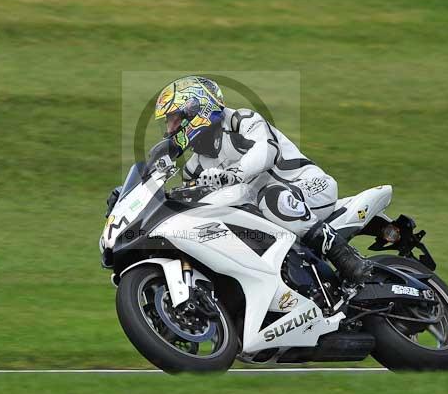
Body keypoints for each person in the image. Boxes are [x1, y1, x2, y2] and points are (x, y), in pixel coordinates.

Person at [153, 75, 373, 284]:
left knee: (272, 197)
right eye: (168, 123)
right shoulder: (195, 168)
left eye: (174, 119)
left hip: (309, 187)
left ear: (196, 109)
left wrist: (235, 174)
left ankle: (347, 258)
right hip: (262, 213)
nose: (170, 130)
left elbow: (265, 152)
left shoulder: (242, 120)